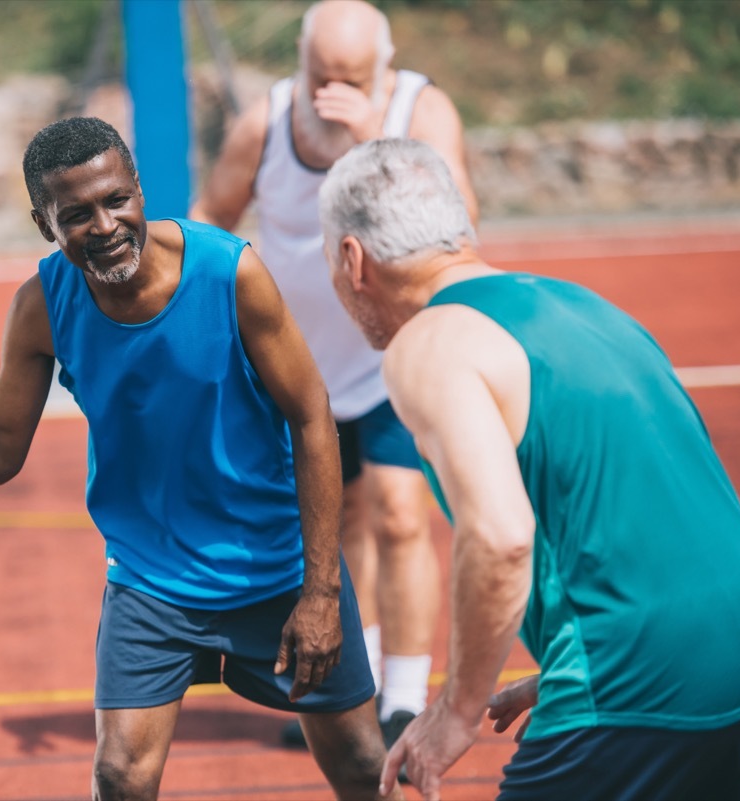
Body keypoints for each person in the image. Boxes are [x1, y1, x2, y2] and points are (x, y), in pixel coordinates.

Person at [0, 117, 402, 801]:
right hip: (152, 579)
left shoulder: (229, 274)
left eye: (117, 200)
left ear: (139, 189)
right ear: (44, 224)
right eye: (77, 214)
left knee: (361, 765)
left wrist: (321, 591)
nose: (106, 224)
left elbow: (311, 416)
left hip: (275, 565)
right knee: (120, 775)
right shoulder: (43, 306)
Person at [317, 136, 740, 801]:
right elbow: (674, 520)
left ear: (352, 258)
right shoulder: (591, 310)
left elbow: (500, 536)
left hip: (630, 680)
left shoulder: (428, 342)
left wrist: (455, 711)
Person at [190, 0, 478, 753]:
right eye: (322, 75)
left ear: (382, 68)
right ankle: (359, 686)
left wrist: (368, 141)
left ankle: (408, 700)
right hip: (302, 367)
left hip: (392, 355)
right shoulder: (268, 122)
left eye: (351, 77)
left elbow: (460, 224)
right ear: (301, 60)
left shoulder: (422, 109)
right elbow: (210, 219)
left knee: (401, 513)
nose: (332, 91)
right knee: (336, 523)